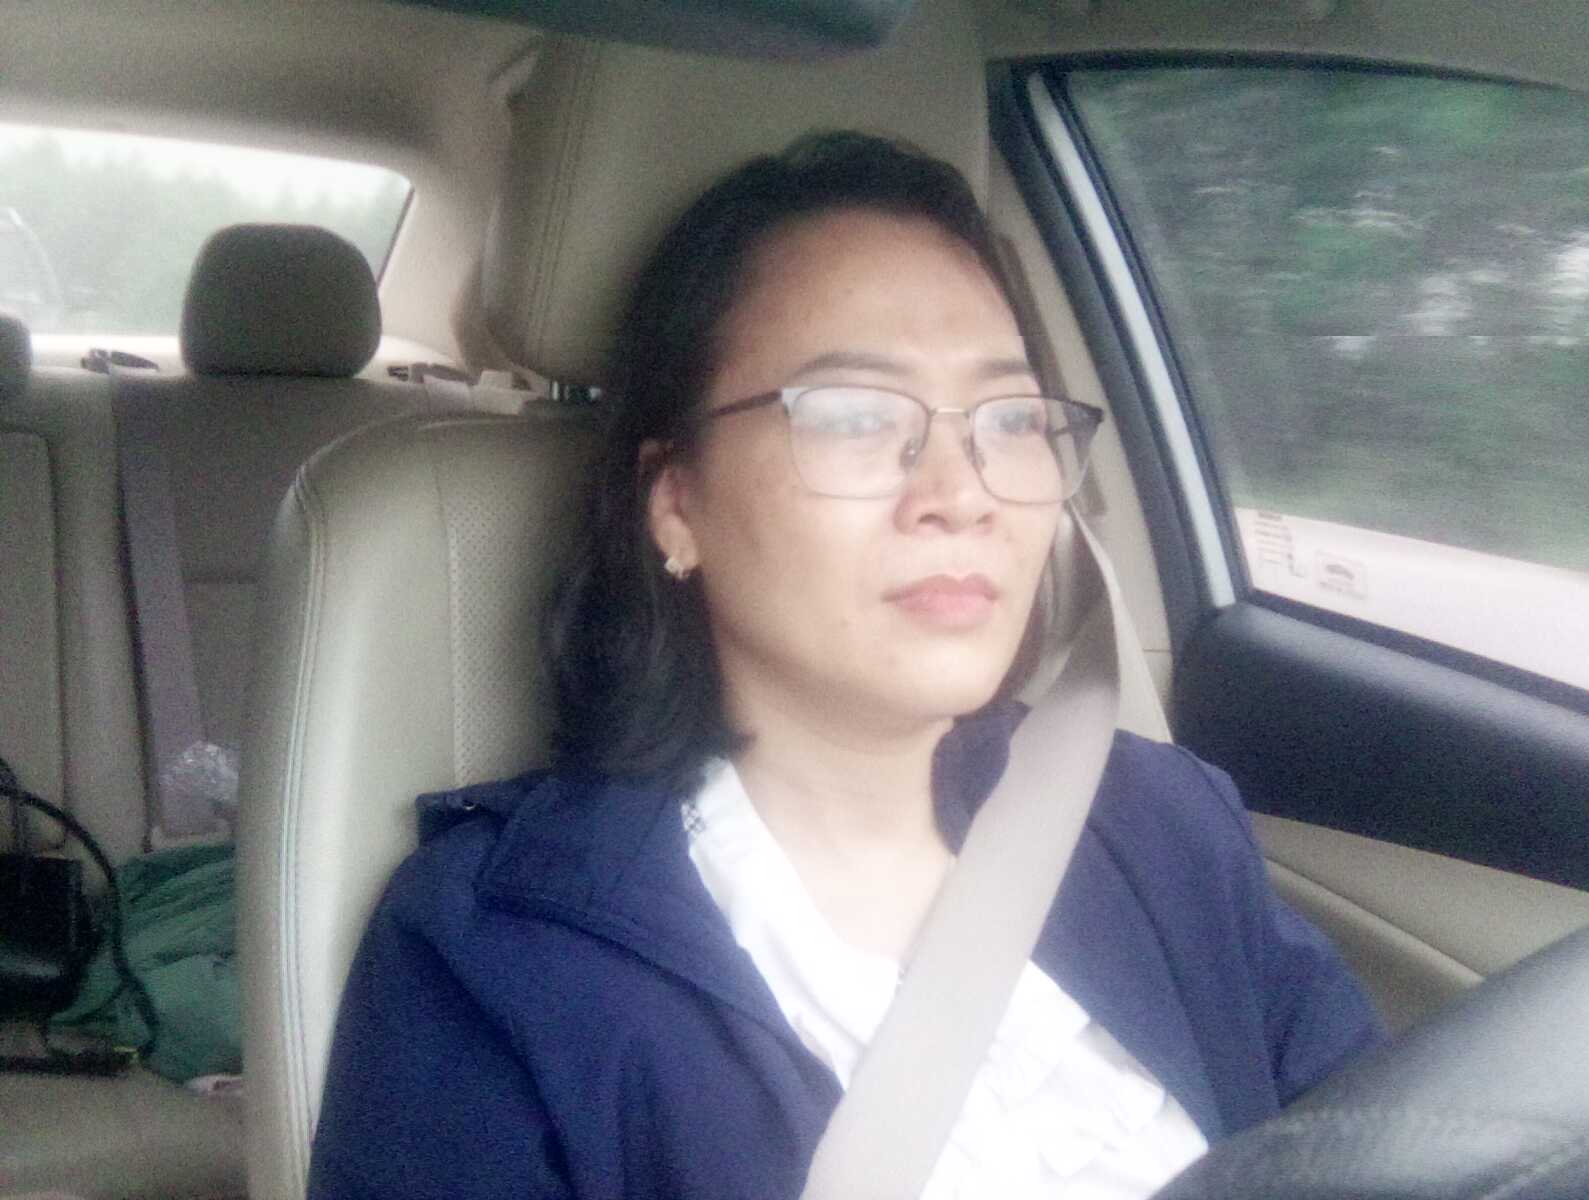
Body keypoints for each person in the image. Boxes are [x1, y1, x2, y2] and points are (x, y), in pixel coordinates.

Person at [308, 132, 1381, 1199]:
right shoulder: (501, 955)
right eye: (857, 417)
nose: (962, 493)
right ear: (675, 503)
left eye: (1011, 419)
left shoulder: (1161, 822)